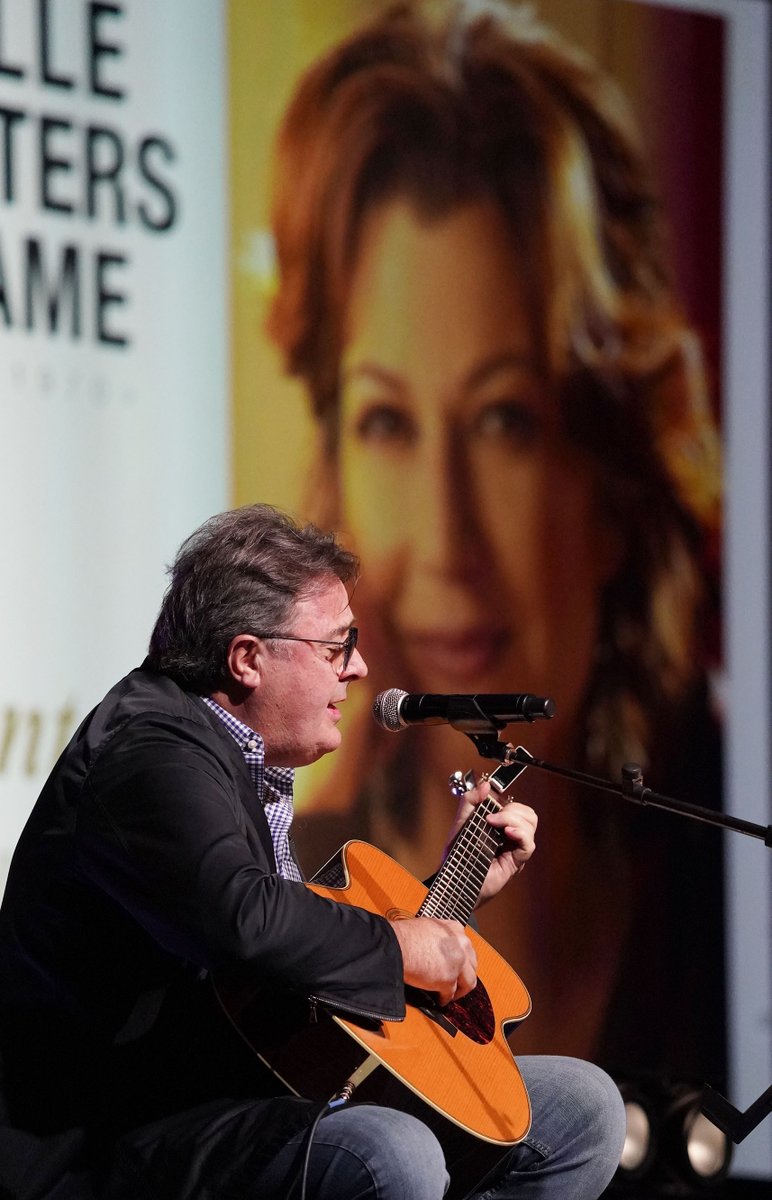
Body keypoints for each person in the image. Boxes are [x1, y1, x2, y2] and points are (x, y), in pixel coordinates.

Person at [258, 0, 725, 1078]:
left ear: (610, 474)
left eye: (506, 420)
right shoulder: (292, 880)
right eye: (387, 422)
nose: (445, 535)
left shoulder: (715, 871)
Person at [0, 503, 625, 1200]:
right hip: (114, 1135)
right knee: (388, 1152)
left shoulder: (232, 753)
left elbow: (281, 962)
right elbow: (244, 919)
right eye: (336, 646)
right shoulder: (151, 751)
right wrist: (400, 948)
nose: (359, 668)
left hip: (233, 1086)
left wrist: (456, 890)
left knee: (582, 1106)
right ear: (247, 659)